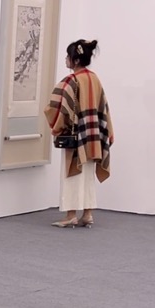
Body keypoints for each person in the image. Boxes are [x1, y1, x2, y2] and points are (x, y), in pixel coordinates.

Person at [44, 39, 114, 228]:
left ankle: (71, 215)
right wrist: (109, 131)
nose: (65, 59)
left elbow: (58, 108)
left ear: (75, 60)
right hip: (94, 136)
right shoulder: (95, 79)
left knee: (72, 173)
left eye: (68, 56)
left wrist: (57, 128)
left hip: (76, 137)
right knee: (88, 173)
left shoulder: (71, 81)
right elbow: (104, 107)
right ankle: (88, 214)